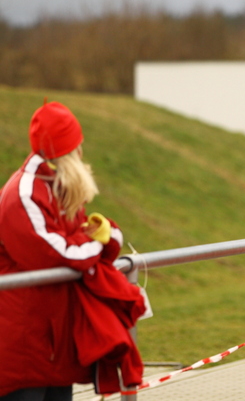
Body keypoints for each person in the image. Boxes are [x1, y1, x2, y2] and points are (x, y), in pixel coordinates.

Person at [0, 101, 146, 400]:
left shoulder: (58, 186)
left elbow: (88, 242)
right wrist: (100, 240)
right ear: (67, 150)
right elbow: (57, 255)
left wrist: (103, 235)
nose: (81, 152)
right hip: (23, 345)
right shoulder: (25, 194)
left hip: (53, 341)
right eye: (77, 145)